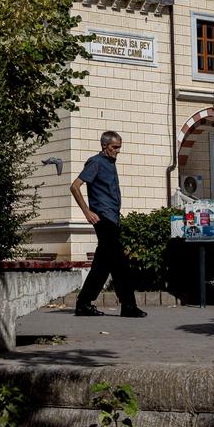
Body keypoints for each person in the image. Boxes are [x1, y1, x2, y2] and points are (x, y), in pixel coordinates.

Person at [70, 131, 147, 318]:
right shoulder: (95, 162)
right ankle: (127, 306)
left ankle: (84, 304)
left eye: (119, 147)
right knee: (119, 263)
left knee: (103, 265)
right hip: (103, 219)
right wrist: (87, 212)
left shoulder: (110, 163)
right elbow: (74, 186)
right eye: (114, 147)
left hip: (112, 218)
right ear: (105, 146)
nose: (117, 151)